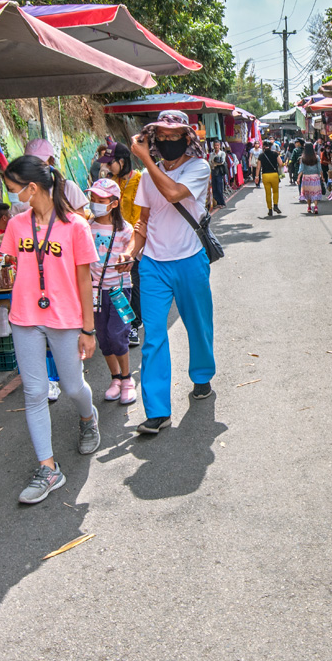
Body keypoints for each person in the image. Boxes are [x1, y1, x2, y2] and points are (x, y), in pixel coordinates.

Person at [0, 155, 100, 505]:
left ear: (32, 187)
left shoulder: (75, 226)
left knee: (72, 386)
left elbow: (85, 281)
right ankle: (48, 467)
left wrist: (88, 329)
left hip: (67, 319)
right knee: (35, 391)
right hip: (24, 318)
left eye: (14, 189)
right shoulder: (16, 225)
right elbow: (17, 267)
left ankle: (88, 417)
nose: (12, 195)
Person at [127, 109, 215, 436]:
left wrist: (146, 162)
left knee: (198, 324)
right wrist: (131, 252)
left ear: (185, 138)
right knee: (153, 336)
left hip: (190, 259)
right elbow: (144, 220)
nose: (166, 142)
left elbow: (174, 194)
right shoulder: (146, 177)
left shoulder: (198, 167)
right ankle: (158, 410)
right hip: (153, 265)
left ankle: (202, 374)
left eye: (173, 137)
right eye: (160, 137)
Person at [87, 178, 137, 405]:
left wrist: (130, 259)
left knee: (118, 333)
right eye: (93, 199)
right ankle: (115, 378)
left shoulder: (125, 230)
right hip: (95, 292)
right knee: (104, 337)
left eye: (101, 200)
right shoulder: (86, 227)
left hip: (119, 289)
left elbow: (132, 253)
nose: (95, 204)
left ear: (114, 203)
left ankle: (127, 378)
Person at [106, 142, 143, 346]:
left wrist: (134, 243)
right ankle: (119, 322)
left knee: (133, 282)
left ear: (121, 161)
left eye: (110, 162)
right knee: (115, 284)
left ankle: (134, 324)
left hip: (134, 241)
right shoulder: (112, 182)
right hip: (113, 241)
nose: (108, 167)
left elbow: (141, 214)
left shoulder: (140, 180)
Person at [24, 138, 88, 210]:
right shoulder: (22, 191)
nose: (34, 166)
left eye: (39, 162)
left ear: (51, 161)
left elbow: (81, 218)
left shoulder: (67, 188)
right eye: (30, 162)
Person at [256, 140, 283, 217]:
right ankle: (275, 205)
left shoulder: (261, 155)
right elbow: (280, 163)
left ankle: (270, 210)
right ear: (271, 147)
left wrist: (257, 177)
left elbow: (258, 167)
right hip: (274, 175)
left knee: (268, 193)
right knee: (275, 192)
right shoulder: (275, 154)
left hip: (265, 175)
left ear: (263, 147)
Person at [296, 143, 324, 216]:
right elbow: (319, 169)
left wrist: (298, 178)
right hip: (315, 177)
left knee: (308, 193)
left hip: (306, 178)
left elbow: (301, 169)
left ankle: (308, 207)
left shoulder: (303, 158)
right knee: (315, 192)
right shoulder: (317, 157)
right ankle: (315, 207)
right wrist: (322, 177)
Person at [209, 141, 228, 209]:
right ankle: (218, 202)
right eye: (215, 145)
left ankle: (222, 203)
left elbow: (221, 162)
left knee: (219, 188)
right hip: (213, 171)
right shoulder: (212, 154)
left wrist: (214, 162)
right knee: (214, 188)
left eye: (217, 145)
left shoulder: (222, 153)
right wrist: (215, 162)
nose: (216, 147)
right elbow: (210, 162)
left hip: (219, 172)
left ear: (219, 146)